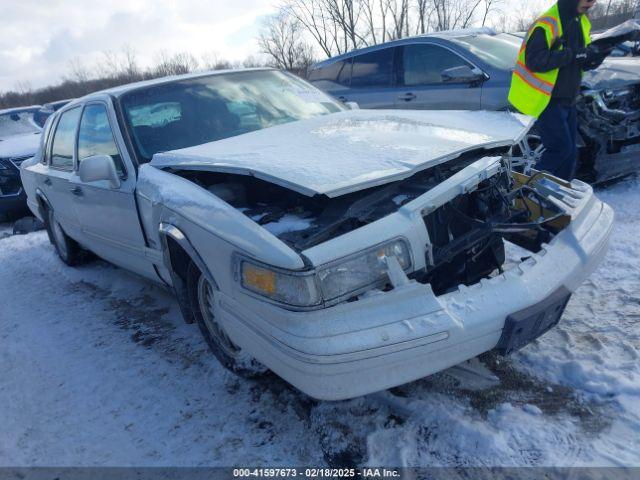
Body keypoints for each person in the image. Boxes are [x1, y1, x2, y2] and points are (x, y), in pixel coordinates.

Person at [508, 0, 612, 181]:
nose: (592, 3)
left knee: (570, 152)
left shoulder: (580, 22)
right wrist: (572, 54)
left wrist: (597, 55)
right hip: (548, 100)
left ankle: (557, 196)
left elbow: (580, 61)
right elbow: (534, 61)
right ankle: (527, 192)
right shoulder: (547, 23)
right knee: (559, 149)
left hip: (569, 99)